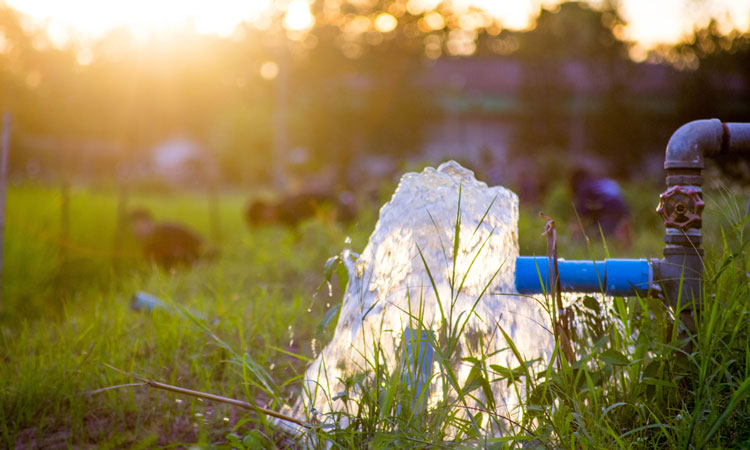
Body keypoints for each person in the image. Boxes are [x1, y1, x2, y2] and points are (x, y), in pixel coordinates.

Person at [128, 208, 210, 269]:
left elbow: (179, 260)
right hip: (192, 265)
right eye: (132, 228)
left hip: (205, 260)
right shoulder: (149, 246)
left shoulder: (166, 231)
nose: (135, 231)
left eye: (137, 226)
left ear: (149, 222)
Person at [570, 168, 632, 247]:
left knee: (584, 241)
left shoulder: (583, 186)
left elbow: (580, 219)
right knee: (614, 233)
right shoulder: (605, 183)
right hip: (621, 211)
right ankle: (625, 249)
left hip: (609, 214)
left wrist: (573, 237)